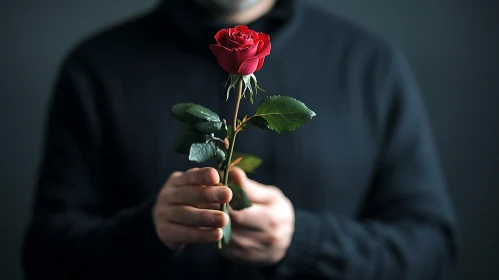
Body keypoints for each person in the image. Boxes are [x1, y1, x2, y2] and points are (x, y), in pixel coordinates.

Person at [22, 0, 458, 279]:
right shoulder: (96, 67)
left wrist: (303, 243)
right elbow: (45, 255)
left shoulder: (371, 64)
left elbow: (431, 250)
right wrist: (147, 232)